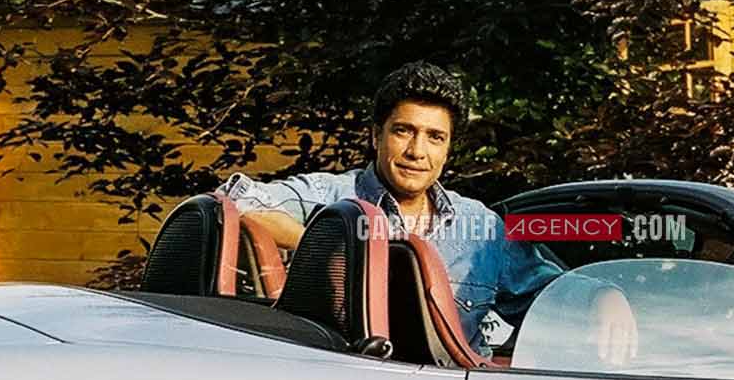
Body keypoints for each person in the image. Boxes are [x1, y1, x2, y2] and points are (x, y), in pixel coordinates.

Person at [217, 62, 637, 362]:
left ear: (448, 147)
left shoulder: (482, 229)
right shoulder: (333, 195)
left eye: (435, 137)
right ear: (376, 136)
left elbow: (550, 297)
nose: (418, 151)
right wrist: (335, 241)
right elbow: (237, 199)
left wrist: (604, 295)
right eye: (404, 131)